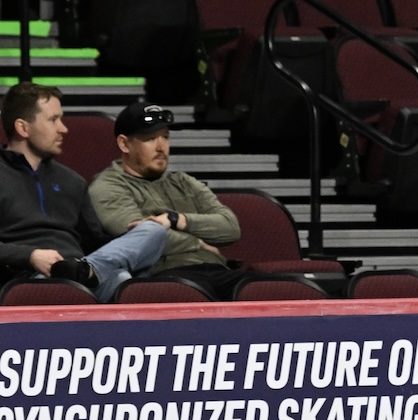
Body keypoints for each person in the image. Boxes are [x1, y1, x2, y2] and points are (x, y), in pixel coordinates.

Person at [0, 82, 166, 302]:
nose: (63, 128)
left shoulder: (72, 181)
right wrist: (30, 256)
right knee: (118, 279)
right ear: (23, 128)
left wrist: (128, 237)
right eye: (53, 120)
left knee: (154, 232)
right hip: (28, 277)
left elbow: (93, 241)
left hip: (83, 272)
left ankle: (86, 270)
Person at [88, 102, 244, 300]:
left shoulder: (183, 181)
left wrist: (177, 219)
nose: (161, 147)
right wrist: (197, 241)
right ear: (124, 144)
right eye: (150, 139)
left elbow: (231, 228)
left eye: (165, 137)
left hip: (217, 270)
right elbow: (142, 238)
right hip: (164, 275)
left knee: (266, 290)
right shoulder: (106, 186)